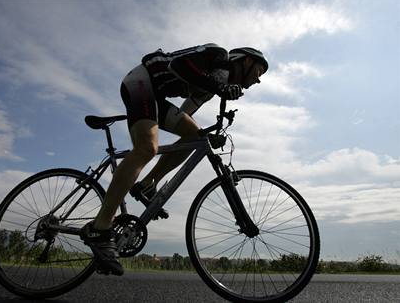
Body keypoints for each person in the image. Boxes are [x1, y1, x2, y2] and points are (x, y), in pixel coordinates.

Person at [81, 43, 268, 275]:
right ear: (246, 61)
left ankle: (148, 185)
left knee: (195, 137)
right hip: (142, 81)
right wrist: (219, 88)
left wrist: (206, 137)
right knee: (147, 148)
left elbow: (186, 112)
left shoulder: (213, 86)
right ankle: (100, 228)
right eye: (259, 72)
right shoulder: (217, 55)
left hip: (157, 95)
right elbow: (177, 65)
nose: (258, 80)